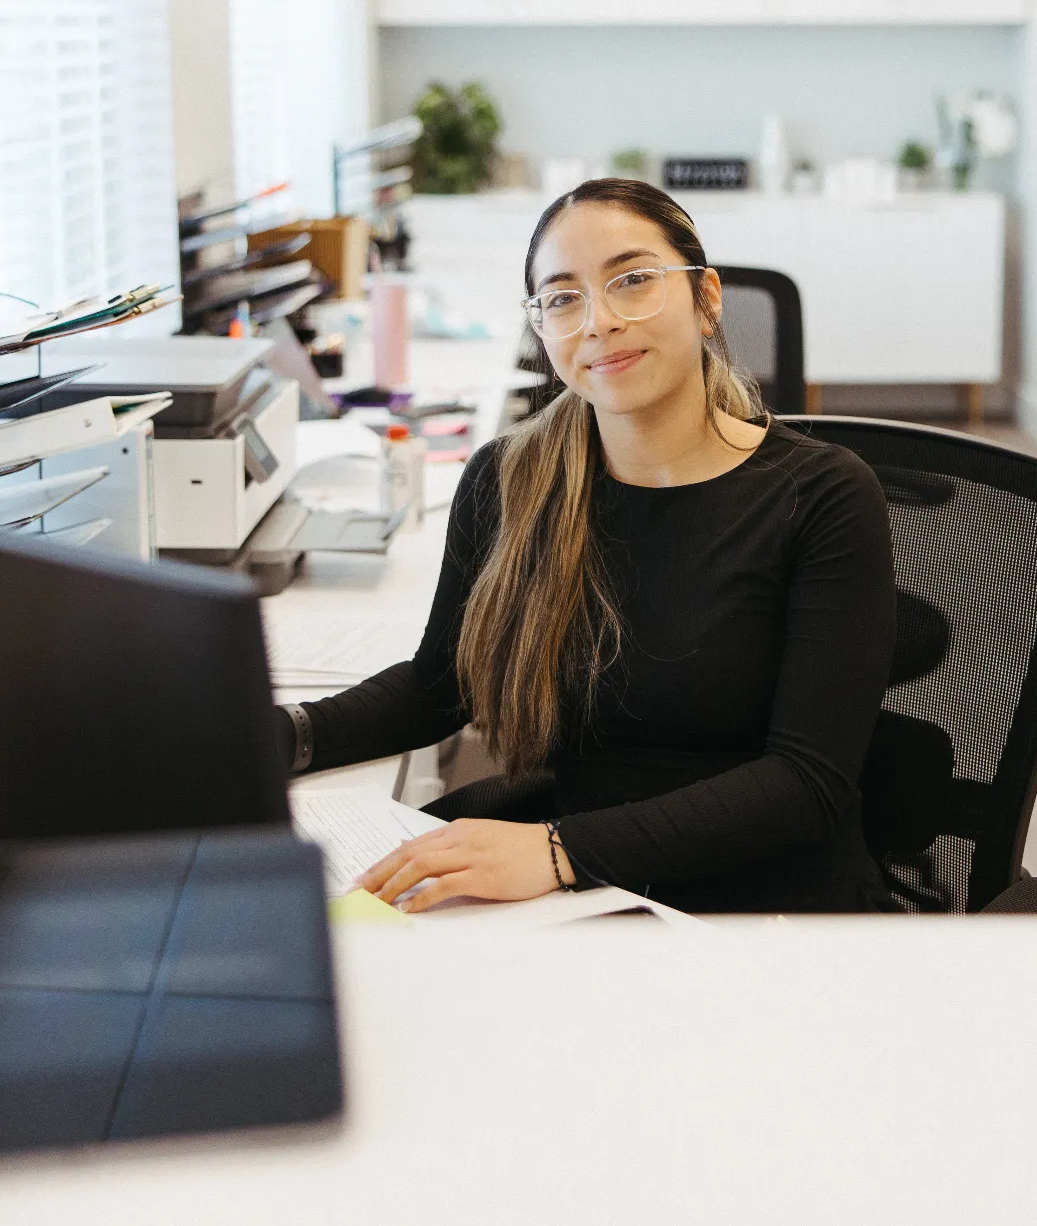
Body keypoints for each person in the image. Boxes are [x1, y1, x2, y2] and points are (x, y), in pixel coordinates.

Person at [278, 178, 897, 914]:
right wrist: (279, 736)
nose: (599, 321)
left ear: (706, 299)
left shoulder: (822, 495)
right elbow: (439, 687)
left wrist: (558, 852)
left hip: (767, 903)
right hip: (586, 891)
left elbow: (806, 782)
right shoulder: (510, 480)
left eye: (632, 281)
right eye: (564, 298)